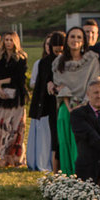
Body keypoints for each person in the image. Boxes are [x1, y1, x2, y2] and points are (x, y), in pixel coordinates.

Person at [50, 27, 100, 174]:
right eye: (72, 37)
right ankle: (67, 176)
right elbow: (60, 86)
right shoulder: (58, 62)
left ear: (84, 41)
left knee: (80, 144)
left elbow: (93, 83)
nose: (75, 40)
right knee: (65, 143)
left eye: (79, 37)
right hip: (65, 108)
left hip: (85, 107)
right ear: (67, 40)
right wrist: (70, 105)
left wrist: (81, 105)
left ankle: (82, 178)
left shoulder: (92, 60)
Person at [0, 31, 29, 167]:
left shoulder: (21, 58)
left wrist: (2, 82)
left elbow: (20, 78)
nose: (8, 42)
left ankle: (12, 158)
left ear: (15, 42)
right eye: (6, 40)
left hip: (16, 98)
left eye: (11, 40)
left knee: (14, 130)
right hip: (0, 98)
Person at [27, 31, 63, 171]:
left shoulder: (67, 61)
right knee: (52, 137)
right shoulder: (43, 63)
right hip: (48, 105)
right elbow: (39, 87)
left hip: (63, 103)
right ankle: (52, 167)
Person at [69, 78, 100, 184]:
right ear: (88, 94)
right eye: (96, 92)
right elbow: (91, 137)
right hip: (88, 169)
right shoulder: (77, 115)